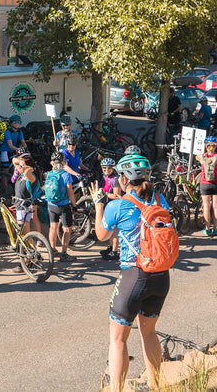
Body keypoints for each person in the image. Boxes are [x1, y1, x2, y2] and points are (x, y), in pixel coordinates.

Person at [91, 154, 170, 391]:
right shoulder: (159, 198)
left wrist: (98, 205)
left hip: (134, 275)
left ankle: (117, 389)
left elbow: (101, 236)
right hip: (161, 273)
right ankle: (157, 386)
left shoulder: (118, 205)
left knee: (118, 339)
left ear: (124, 179)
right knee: (149, 333)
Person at [45, 151, 76, 262]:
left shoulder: (49, 174)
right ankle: (64, 253)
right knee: (67, 229)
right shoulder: (65, 175)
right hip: (63, 205)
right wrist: (74, 204)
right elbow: (70, 191)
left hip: (51, 204)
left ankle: (52, 250)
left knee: (53, 227)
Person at [196, 136, 217, 237]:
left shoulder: (201, 157)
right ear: (216, 145)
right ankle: (215, 229)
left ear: (206, 145)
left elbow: (196, 156)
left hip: (205, 183)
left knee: (206, 206)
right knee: (216, 207)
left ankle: (207, 228)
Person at [98, 158, 122, 261]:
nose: (106, 170)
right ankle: (111, 247)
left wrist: (105, 194)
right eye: (104, 168)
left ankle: (115, 251)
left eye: (109, 168)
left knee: (114, 230)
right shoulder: (104, 177)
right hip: (107, 205)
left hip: (114, 206)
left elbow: (117, 196)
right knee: (109, 229)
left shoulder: (115, 179)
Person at [13, 156, 41, 235]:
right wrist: (21, 162)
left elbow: (28, 173)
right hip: (19, 206)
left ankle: (31, 247)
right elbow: (14, 161)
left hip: (23, 208)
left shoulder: (31, 178)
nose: (19, 167)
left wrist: (30, 168)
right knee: (23, 234)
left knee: (25, 234)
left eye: (21, 166)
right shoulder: (22, 174)